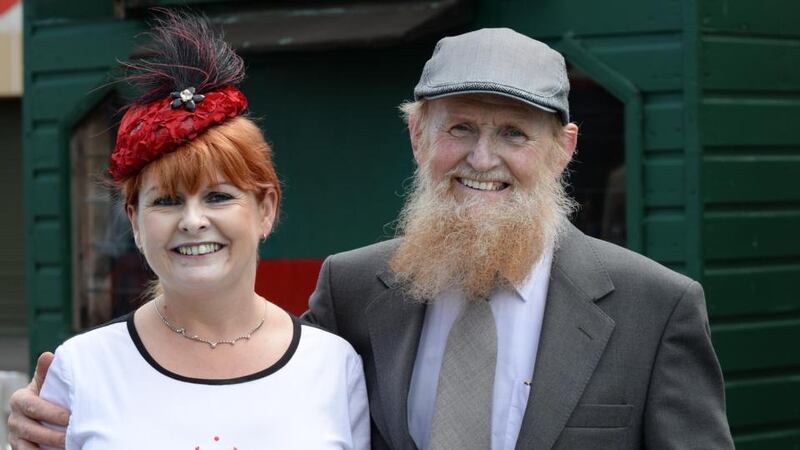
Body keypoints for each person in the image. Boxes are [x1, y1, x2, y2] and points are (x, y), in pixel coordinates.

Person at [9, 28, 733, 450]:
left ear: (563, 148)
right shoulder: (355, 290)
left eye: (514, 134)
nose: (482, 159)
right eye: (459, 128)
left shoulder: (656, 308)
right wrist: (54, 423)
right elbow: (258, 398)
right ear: (418, 137)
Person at [8, 11, 369, 450]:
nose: (193, 221)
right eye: (166, 201)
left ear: (266, 209)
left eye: (218, 196)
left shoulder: (333, 366)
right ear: (135, 221)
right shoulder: (82, 370)